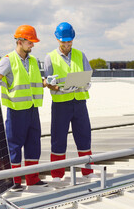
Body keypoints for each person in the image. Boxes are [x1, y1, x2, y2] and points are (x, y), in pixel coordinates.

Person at [0, 25, 47, 191]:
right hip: (16, 111)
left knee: (33, 145)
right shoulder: (8, 59)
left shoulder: (32, 61)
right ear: (20, 41)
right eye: (30, 42)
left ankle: (32, 178)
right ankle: (15, 181)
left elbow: (35, 83)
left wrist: (48, 83)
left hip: (32, 108)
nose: (33, 45)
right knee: (15, 146)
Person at [43, 22, 96, 182]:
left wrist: (84, 82)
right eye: (63, 42)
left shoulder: (81, 55)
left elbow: (88, 75)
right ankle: (57, 175)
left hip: (79, 102)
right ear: (57, 40)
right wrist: (57, 86)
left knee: (84, 136)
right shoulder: (50, 57)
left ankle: (87, 172)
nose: (67, 45)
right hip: (61, 104)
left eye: (69, 42)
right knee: (59, 138)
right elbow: (48, 80)